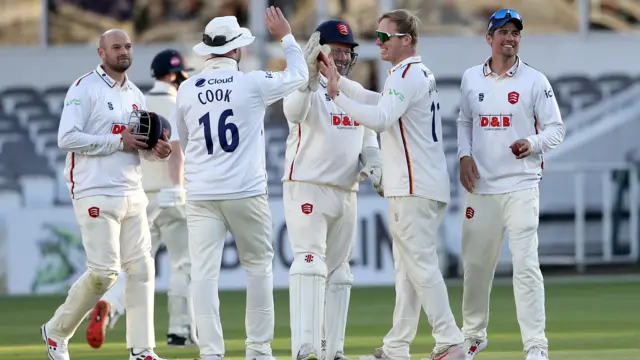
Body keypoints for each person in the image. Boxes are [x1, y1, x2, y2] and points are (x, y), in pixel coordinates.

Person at [320, 9, 465, 360]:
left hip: (413, 185)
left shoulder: (406, 76)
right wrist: (337, 82)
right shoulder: (413, 73)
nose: (379, 42)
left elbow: (380, 118)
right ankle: (396, 348)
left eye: (385, 37)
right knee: (408, 270)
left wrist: (337, 95)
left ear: (407, 40)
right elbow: (377, 100)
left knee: (419, 264)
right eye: (378, 35)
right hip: (424, 183)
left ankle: (450, 340)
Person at [170, 8, 308, 360]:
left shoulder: (186, 89)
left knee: (203, 275)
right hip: (245, 190)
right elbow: (299, 74)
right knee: (258, 268)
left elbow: (185, 142)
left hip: (201, 192)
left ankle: (212, 353)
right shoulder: (252, 82)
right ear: (237, 50)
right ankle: (258, 350)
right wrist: (287, 37)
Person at [44, 29, 172, 360]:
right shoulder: (84, 88)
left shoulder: (135, 94)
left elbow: (135, 146)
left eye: (127, 46)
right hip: (94, 190)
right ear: (101, 53)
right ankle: (56, 333)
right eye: (116, 47)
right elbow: (66, 138)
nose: (123, 51)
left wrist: (154, 151)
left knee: (143, 270)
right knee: (104, 273)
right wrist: (118, 142)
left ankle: (142, 350)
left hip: (132, 190)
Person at [456, 9, 564, 360]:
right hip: (482, 187)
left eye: (515, 32)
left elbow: (556, 129)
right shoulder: (472, 78)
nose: (510, 37)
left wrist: (532, 144)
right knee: (475, 267)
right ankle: (472, 336)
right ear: (489, 38)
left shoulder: (535, 80)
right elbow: (464, 121)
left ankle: (536, 345)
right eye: (502, 32)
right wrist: (463, 156)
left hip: (521, 184)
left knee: (526, 265)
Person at [85, 49, 198, 349]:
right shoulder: (176, 101)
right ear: (175, 75)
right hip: (170, 195)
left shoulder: (139, 103)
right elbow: (176, 152)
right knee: (182, 264)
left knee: (135, 264)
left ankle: (110, 303)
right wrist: (177, 187)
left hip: (140, 195)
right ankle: (179, 331)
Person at [282, 20, 382, 360]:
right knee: (309, 264)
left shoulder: (352, 90)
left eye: (346, 52)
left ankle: (332, 351)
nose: (341, 58)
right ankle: (304, 347)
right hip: (308, 187)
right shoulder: (303, 86)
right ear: (319, 50)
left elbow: (369, 135)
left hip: (346, 192)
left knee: (340, 273)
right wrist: (309, 77)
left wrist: (374, 164)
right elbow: (293, 112)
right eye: (335, 51)